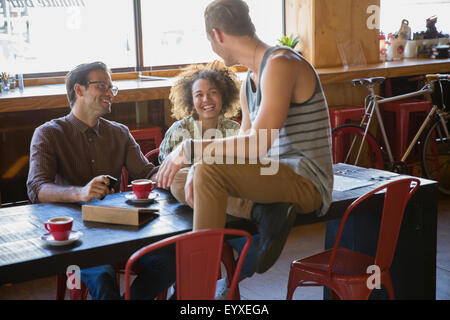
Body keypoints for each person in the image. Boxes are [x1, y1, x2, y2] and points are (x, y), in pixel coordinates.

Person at [156, 0, 333, 276]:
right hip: (270, 176)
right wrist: (195, 164)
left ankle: (199, 283)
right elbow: (243, 147)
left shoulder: (280, 63)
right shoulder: (250, 80)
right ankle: (263, 212)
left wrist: (192, 150)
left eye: (209, 39)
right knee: (178, 179)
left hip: (304, 181)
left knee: (205, 172)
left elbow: (257, 144)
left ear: (217, 35)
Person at [27, 61, 175, 299]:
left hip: (119, 231)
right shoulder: (48, 133)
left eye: (111, 88)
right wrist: (80, 193)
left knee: (170, 261)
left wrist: (177, 170)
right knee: (103, 277)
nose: (110, 93)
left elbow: (147, 174)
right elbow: (36, 188)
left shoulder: (119, 132)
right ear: (79, 90)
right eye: (102, 86)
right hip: (72, 239)